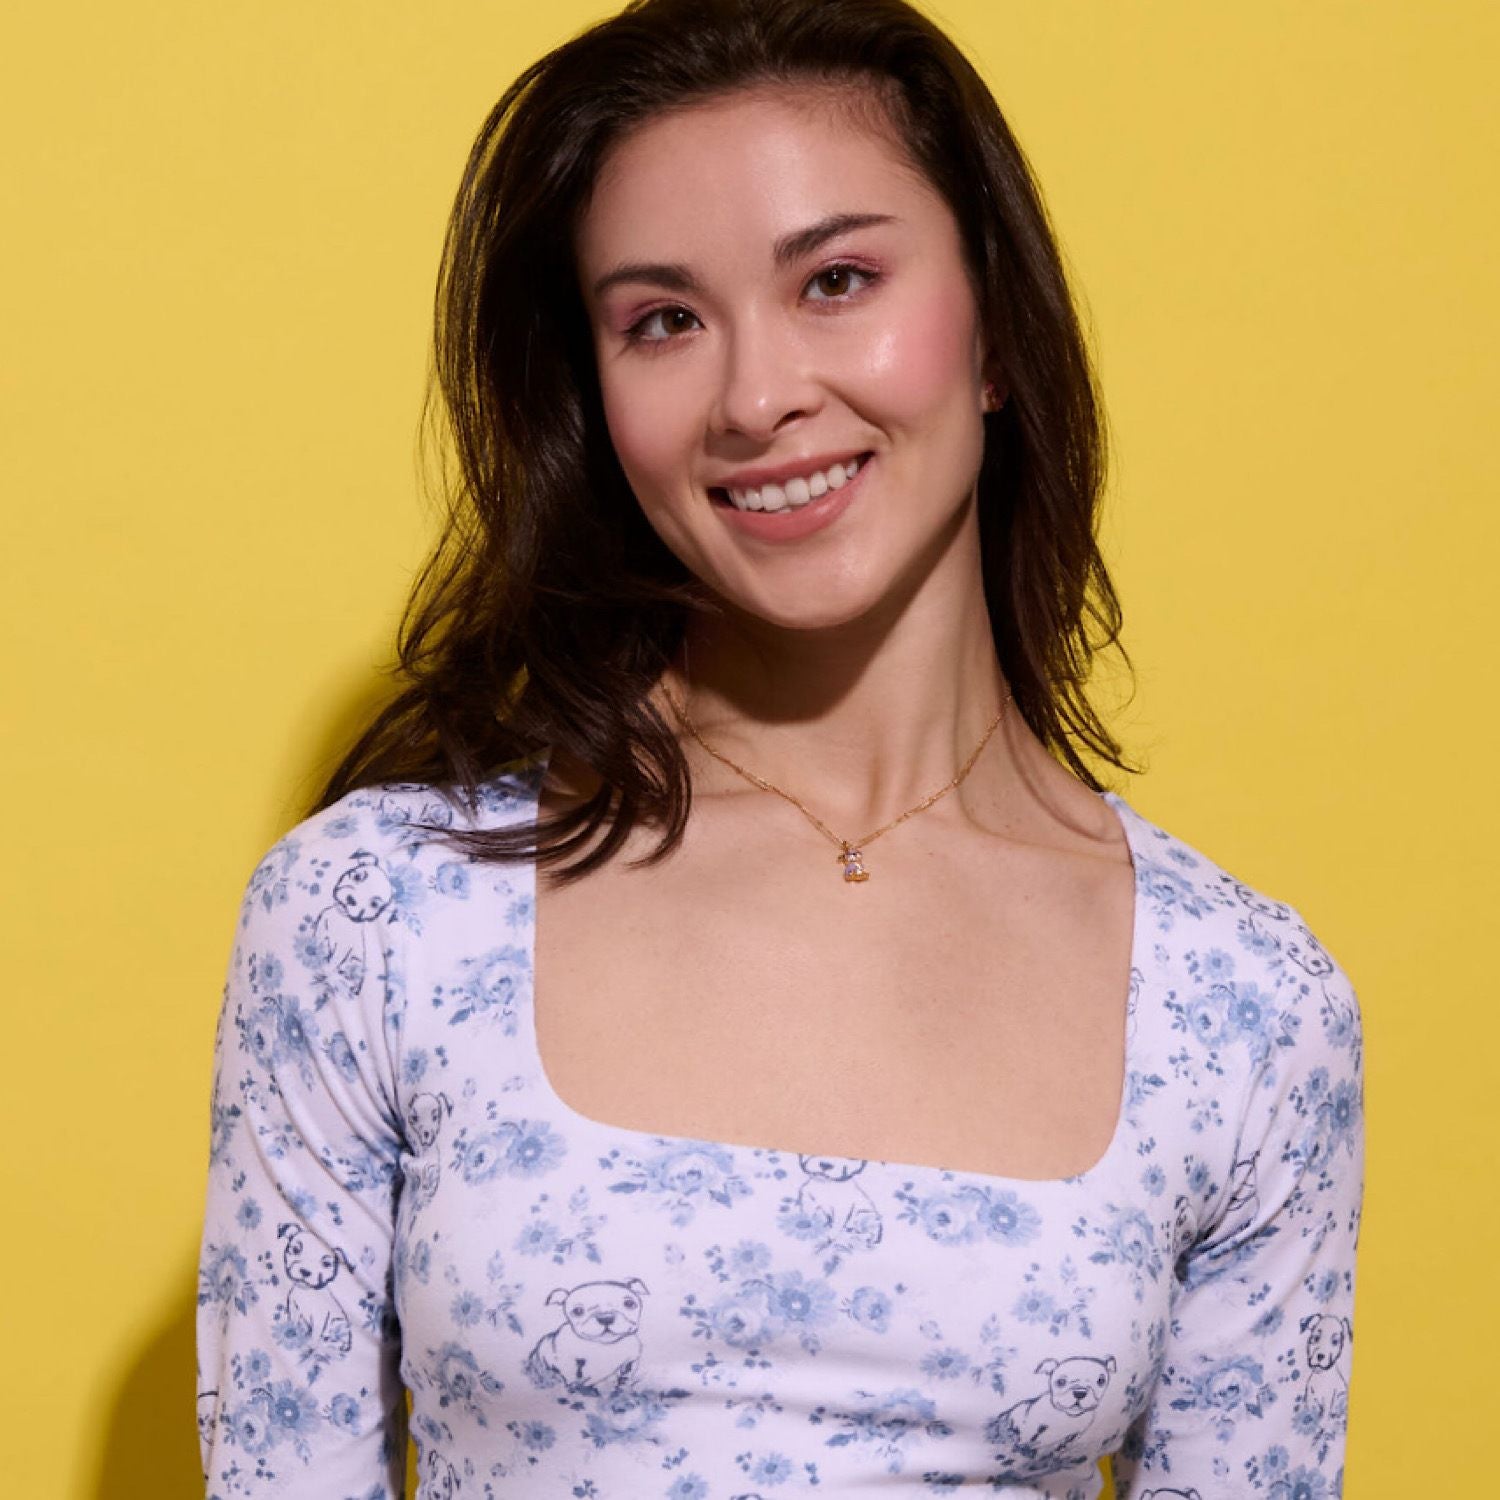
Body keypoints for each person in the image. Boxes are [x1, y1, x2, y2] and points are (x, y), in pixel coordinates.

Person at [194, 0, 1364, 1494]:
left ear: (997, 329)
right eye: (662, 321)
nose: (757, 399)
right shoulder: (376, 917)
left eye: (837, 280)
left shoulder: (1246, 1012)